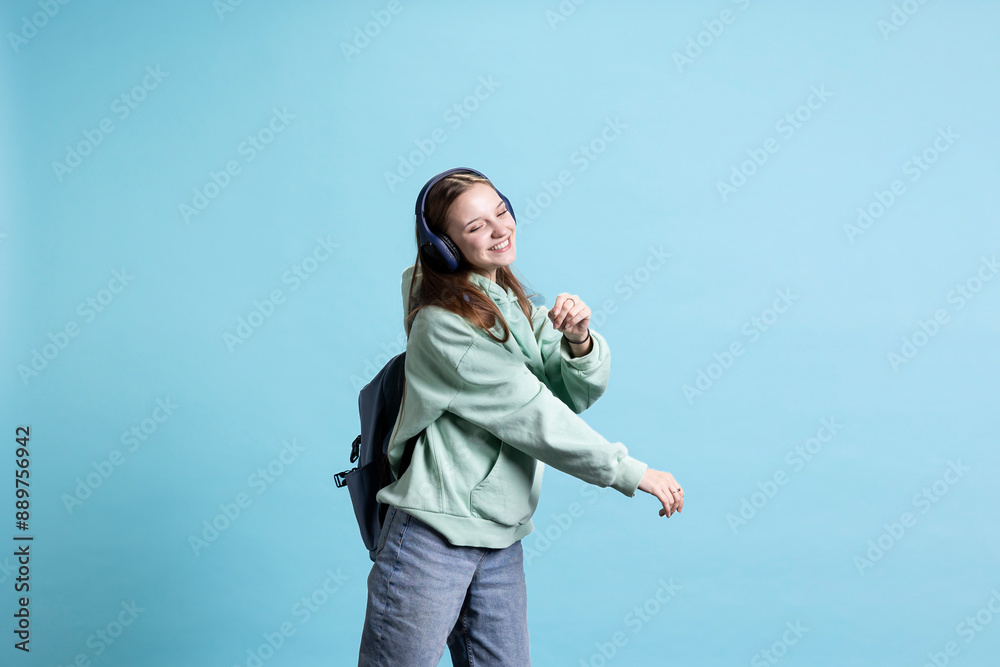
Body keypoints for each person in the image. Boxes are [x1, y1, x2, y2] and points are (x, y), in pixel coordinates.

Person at [357, 167, 684, 666]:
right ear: (444, 247)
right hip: (433, 535)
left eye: (501, 212)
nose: (498, 229)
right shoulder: (443, 325)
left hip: (500, 534)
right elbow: (531, 414)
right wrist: (629, 471)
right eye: (475, 226)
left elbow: (569, 391)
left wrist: (579, 340)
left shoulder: (510, 301)